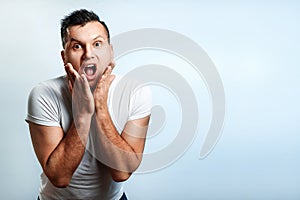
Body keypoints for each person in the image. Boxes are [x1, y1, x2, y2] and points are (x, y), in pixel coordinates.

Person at [26, 9, 152, 200]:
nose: (88, 54)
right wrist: (83, 114)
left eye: (97, 44)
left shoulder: (136, 92)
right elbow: (59, 177)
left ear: (110, 51)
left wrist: (100, 108)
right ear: (64, 57)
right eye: (77, 46)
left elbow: (121, 173)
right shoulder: (44, 94)